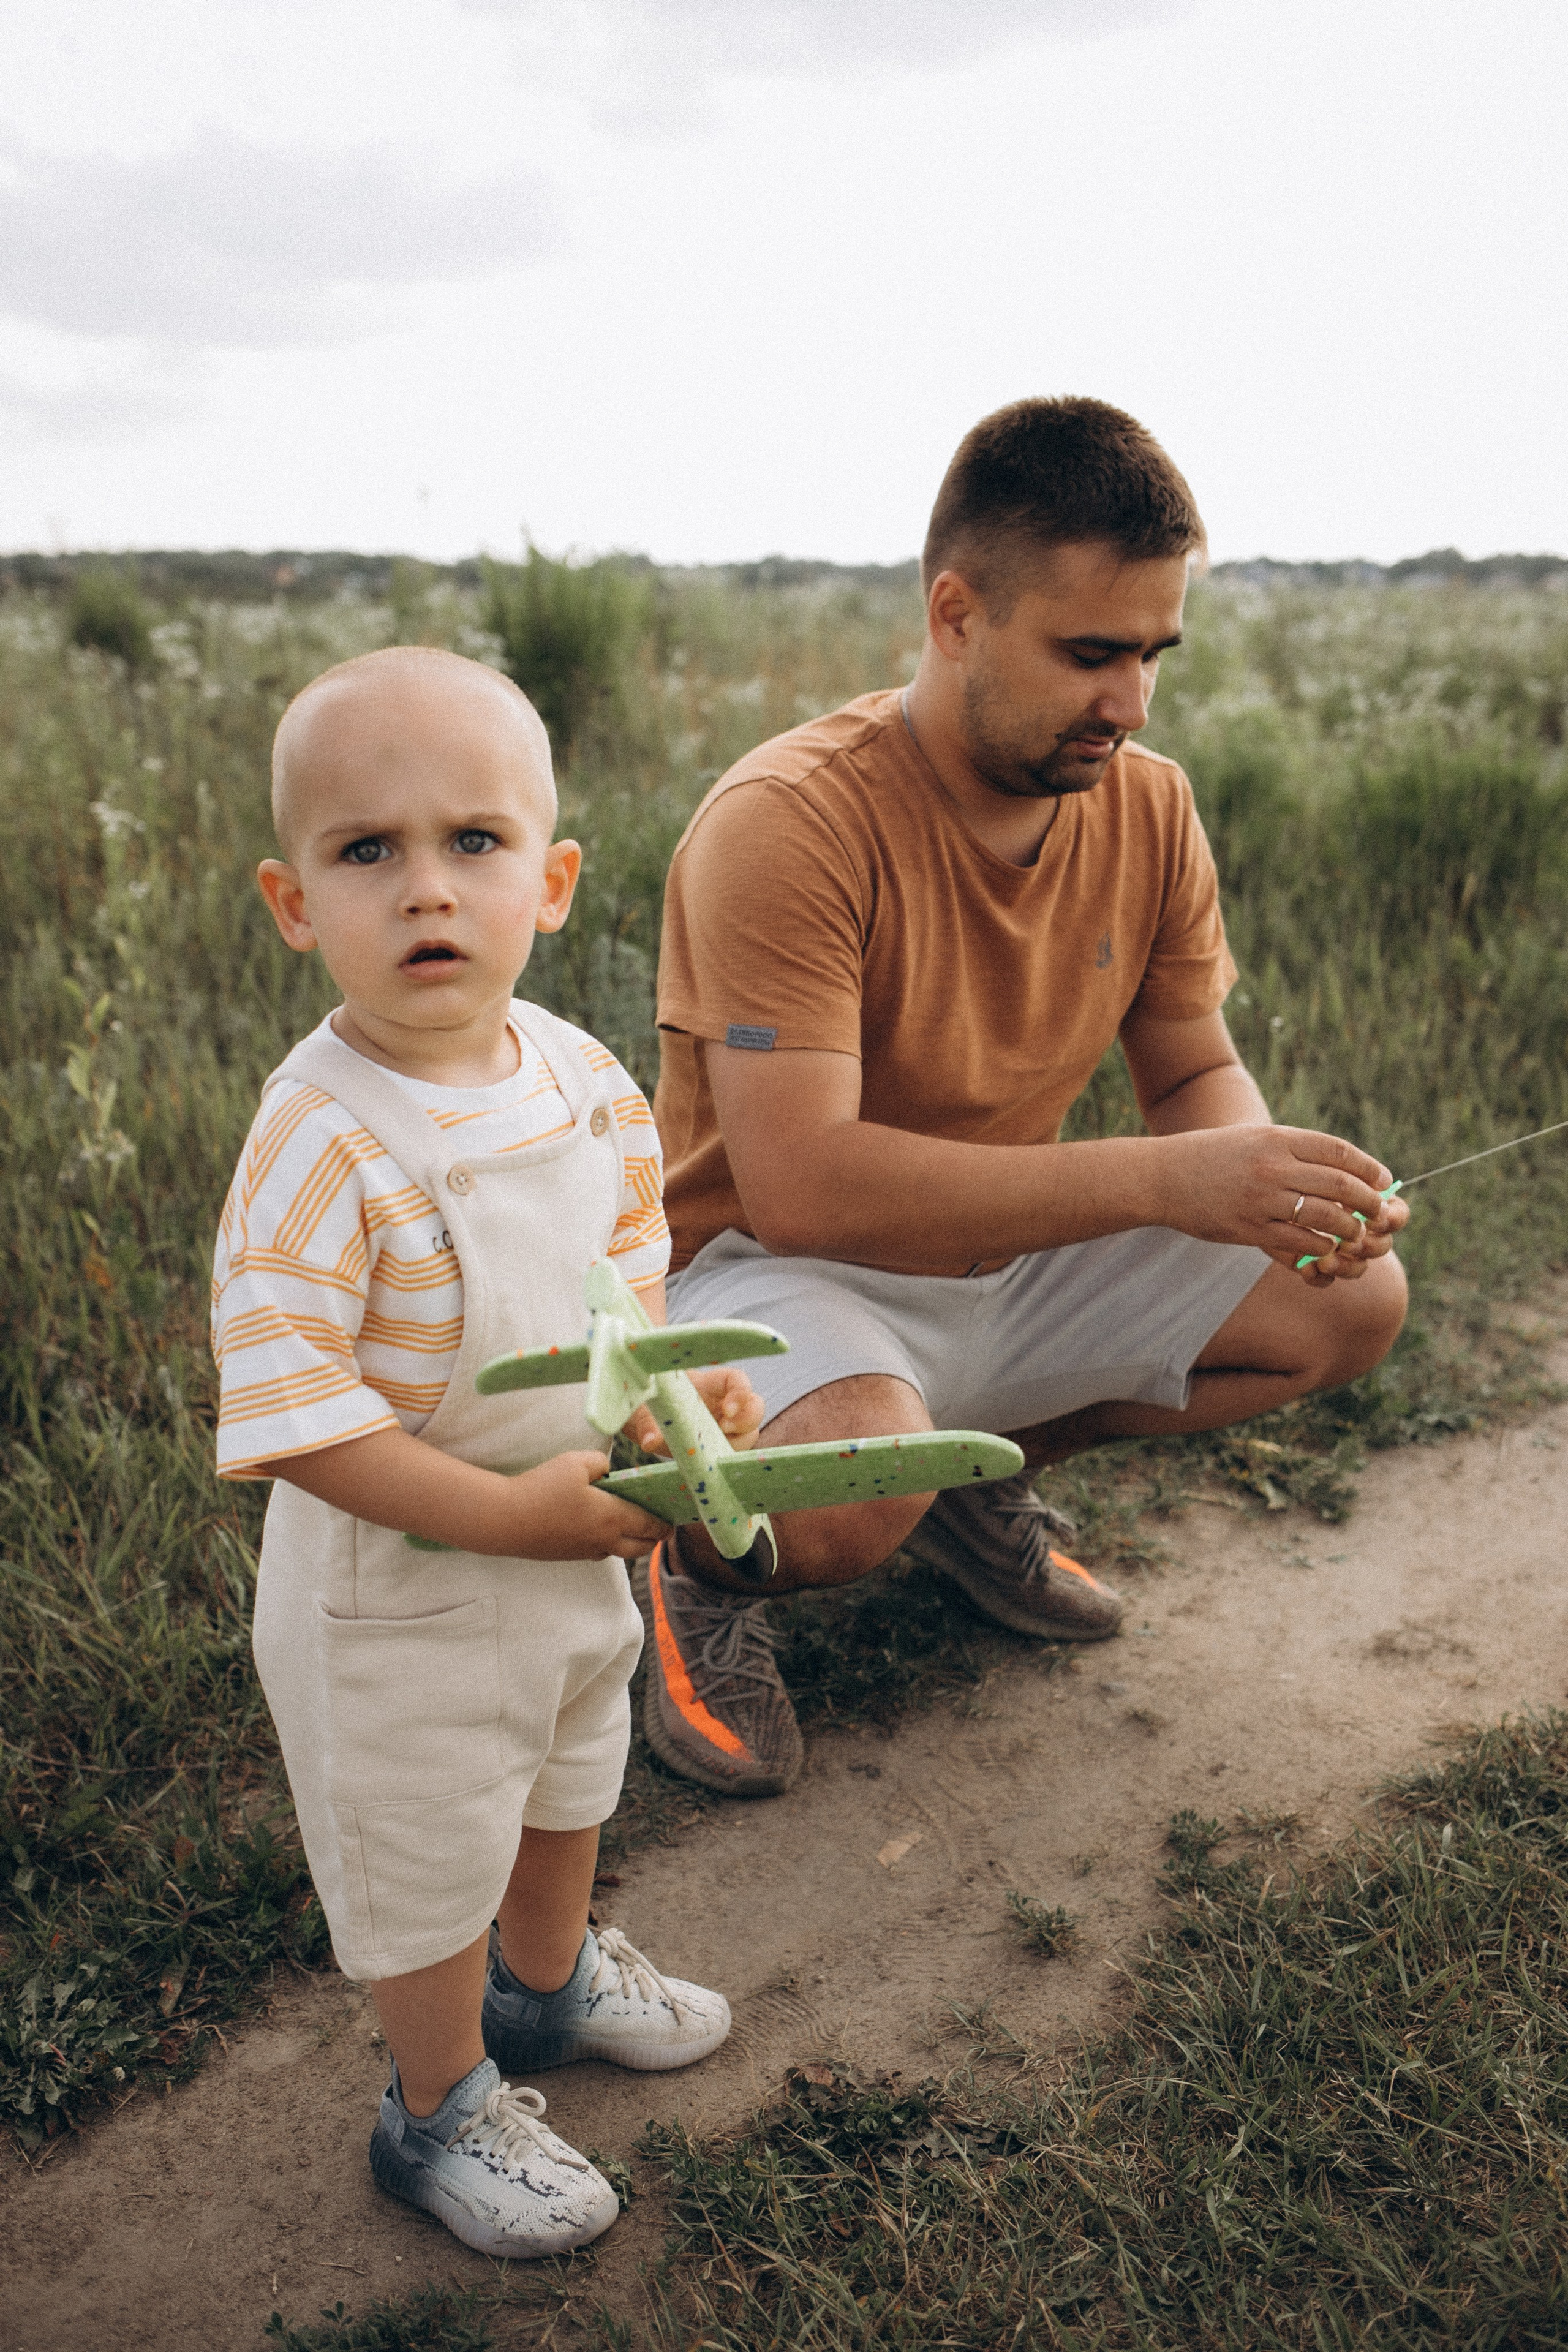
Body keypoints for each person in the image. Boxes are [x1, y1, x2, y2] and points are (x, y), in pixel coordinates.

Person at [643, 396, 1409, 1800]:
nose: (1127, 702)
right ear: (954, 614)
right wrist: (1167, 1185)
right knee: (845, 1483)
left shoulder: (1149, 804)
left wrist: (1270, 1186)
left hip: (1010, 1252)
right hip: (778, 1276)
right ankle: (695, 1572)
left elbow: (1185, 1071)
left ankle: (960, 1483)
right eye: (1088, 654)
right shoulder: (786, 822)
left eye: (1152, 655)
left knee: (1347, 1303)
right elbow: (799, 1184)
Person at [210, 647, 764, 2258]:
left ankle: (547, 1987)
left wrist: (664, 1406)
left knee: (567, 1769)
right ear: (293, 901)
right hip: (402, 1598)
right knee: (433, 1836)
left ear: (555, 879)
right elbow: (301, 1415)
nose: (426, 889)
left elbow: (628, 1278)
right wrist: (509, 1520)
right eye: (366, 851)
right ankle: (437, 2097)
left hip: (566, 1534)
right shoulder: (319, 1133)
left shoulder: (585, 1080)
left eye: (475, 842)